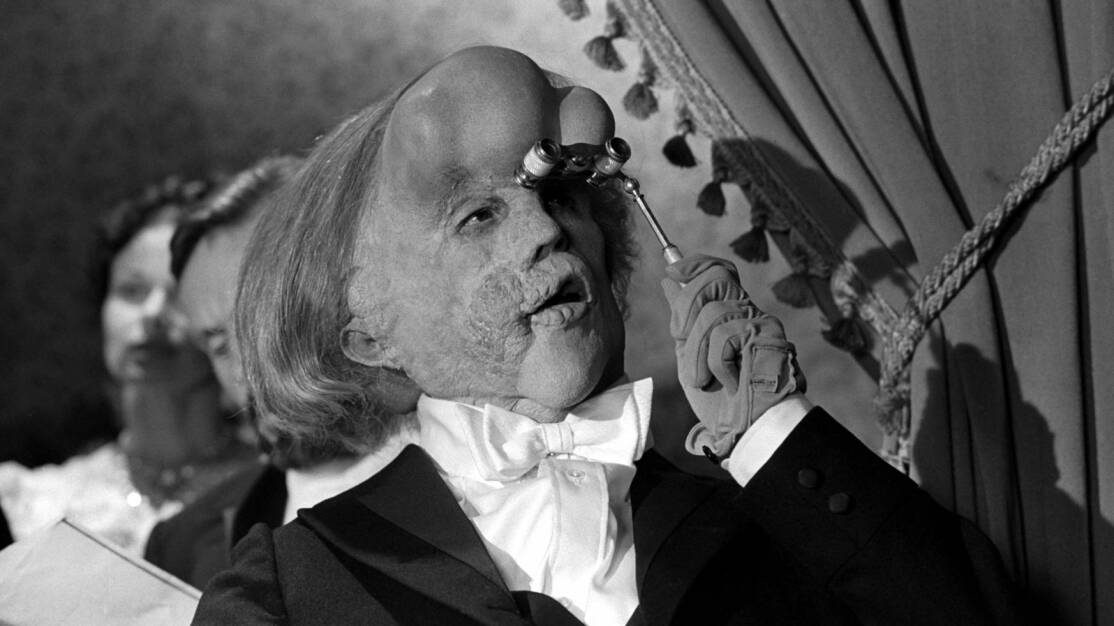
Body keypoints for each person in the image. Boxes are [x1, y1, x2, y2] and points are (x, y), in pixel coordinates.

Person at [195, 47, 1021, 624]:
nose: (545, 232)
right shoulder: (290, 587)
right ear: (368, 335)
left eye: (561, 198)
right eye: (478, 216)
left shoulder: (784, 525)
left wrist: (772, 434)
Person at [144, 156, 417, 590]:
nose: (244, 370)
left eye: (258, 318)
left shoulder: (490, 466)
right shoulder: (182, 547)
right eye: (218, 345)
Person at [0, 176, 257, 556]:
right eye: (132, 291)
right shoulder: (35, 500)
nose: (152, 314)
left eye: (178, 294)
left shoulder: (273, 491)